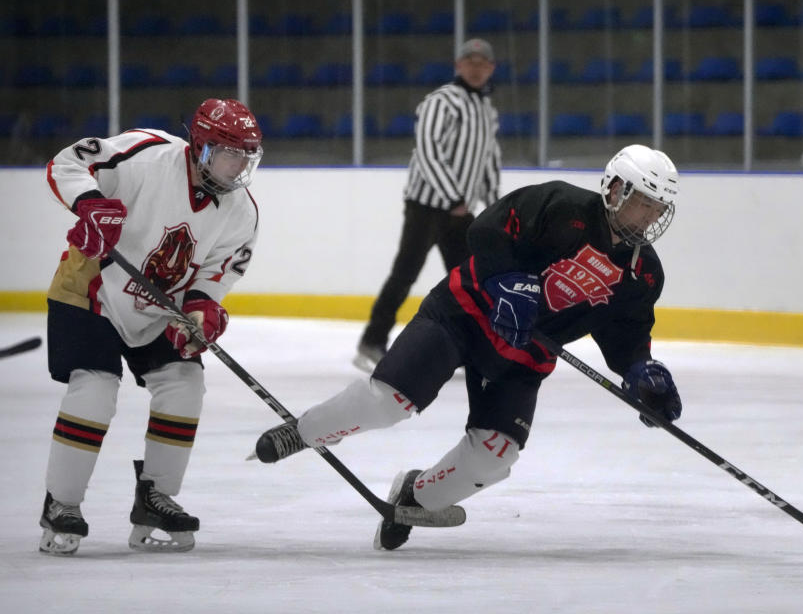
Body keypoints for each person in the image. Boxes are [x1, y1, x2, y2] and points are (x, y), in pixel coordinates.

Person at [255, 144, 682, 551]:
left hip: (522, 359)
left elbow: (625, 332)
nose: (649, 216)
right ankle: (305, 430)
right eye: (643, 201)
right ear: (614, 188)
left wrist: (640, 369)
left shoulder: (644, 273)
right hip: (464, 316)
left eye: (658, 208)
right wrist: (505, 279)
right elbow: (487, 229)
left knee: (495, 457)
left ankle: (413, 499)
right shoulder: (560, 205)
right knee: (388, 402)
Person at [39, 98, 264, 555]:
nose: (239, 164)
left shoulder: (242, 212)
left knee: (184, 382)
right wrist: (91, 205)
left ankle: (155, 498)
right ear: (201, 147)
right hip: (93, 287)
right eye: (230, 152)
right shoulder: (147, 153)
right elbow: (66, 164)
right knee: (95, 388)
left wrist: (202, 314)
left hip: (158, 308)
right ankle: (61, 504)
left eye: (246, 155)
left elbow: (213, 278)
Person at [354, 37, 502, 372]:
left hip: (461, 212)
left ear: (491, 69)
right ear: (458, 65)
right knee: (405, 272)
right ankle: (372, 341)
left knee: (470, 280)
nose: (476, 68)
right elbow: (428, 150)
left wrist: (494, 205)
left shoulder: (486, 110)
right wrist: (452, 196)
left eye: (483, 63)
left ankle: (471, 345)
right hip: (427, 206)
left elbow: (489, 158)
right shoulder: (441, 101)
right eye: (470, 61)